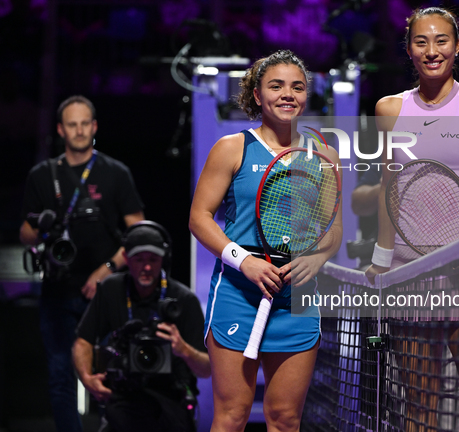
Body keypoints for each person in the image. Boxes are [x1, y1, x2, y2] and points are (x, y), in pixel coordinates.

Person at [365, 7, 459, 432]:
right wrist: (381, 257)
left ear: (457, 46)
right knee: (418, 404)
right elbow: (389, 187)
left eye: (441, 41)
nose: (432, 51)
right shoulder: (389, 109)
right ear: (409, 50)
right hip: (410, 273)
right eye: (421, 42)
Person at [188, 49, 343, 431]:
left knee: (286, 419)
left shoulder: (324, 155)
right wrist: (245, 261)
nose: (287, 94)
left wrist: (318, 258)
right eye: (276, 86)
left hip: (297, 298)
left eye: (297, 87)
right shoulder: (231, 148)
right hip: (238, 294)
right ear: (257, 95)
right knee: (231, 416)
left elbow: (332, 229)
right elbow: (198, 218)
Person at [19, 95, 145, 432]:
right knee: (61, 375)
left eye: (84, 124)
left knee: (113, 374)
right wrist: (40, 225)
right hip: (58, 288)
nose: (78, 130)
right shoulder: (42, 175)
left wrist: (106, 269)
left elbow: (139, 233)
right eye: (71, 124)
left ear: (94, 127)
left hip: (106, 291)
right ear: (61, 129)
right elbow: (26, 235)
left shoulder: (115, 173)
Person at [72, 221, 211, 432]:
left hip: (171, 397)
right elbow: (83, 341)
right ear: (126, 259)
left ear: (163, 259)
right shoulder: (111, 290)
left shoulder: (184, 299)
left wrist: (184, 350)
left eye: (153, 259)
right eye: (139, 259)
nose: (147, 267)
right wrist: (87, 379)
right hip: (124, 395)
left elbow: (207, 368)